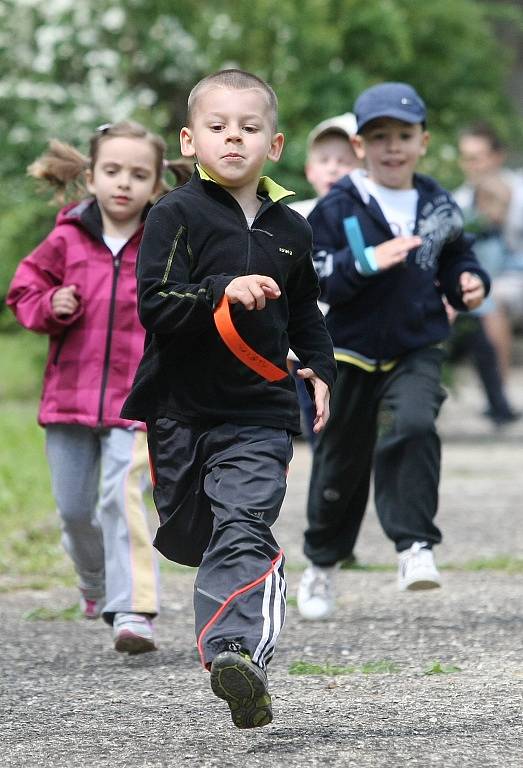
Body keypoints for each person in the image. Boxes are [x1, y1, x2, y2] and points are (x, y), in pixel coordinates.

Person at [121, 69, 336, 728]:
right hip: (180, 412)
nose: (232, 139)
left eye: (248, 128)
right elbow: (155, 302)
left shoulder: (290, 228)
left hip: (260, 412)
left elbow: (304, 310)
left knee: (243, 524)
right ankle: (231, 632)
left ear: (273, 145)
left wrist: (321, 367)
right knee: (192, 537)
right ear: (190, 141)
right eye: (218, 127)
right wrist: (223, 288)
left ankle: (233, 654)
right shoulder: (173, 214)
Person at [296, 82, 490, 621]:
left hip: (416, 345)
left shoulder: (437, 202)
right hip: (350, 351)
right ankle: (321, 566)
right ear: (360, 147)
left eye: (404, 135)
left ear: (423, 141)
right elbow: (317, 278)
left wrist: (469, 282)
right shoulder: (338, 207)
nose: (393, 147)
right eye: (379, 137)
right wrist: (368, 261)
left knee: (413, 423)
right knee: (340, 464)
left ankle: (414, 548)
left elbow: (458, 257)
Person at [7, 121, 190, 653]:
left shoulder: (163, 243)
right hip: (68, 399)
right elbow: (24, 289)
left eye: (138, 174)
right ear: (91, 176)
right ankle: (94, 582)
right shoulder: (66, 238)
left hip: (135, 401)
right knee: (73, 510)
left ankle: (133, 608)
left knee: (121, 498)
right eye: (112, 171)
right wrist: (50, 306)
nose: (123, 184)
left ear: (157, 184)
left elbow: (181, 303)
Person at [288, 113, 360, 446]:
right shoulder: (294, 217)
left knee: (354, 433)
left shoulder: (366, 218)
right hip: (307, 350)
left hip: (356, 345)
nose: (333, 168)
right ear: (309, 170)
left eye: (344, 161)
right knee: (320, 429)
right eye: (324, 160)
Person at [454, 123, 523, 385]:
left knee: (490, 300)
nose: (471, 165)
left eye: (477, 158)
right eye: (466, 158)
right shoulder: (460, 199)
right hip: (478, 280)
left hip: (514, 276)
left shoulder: (518, 190)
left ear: (497, 156)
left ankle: (499, 391)